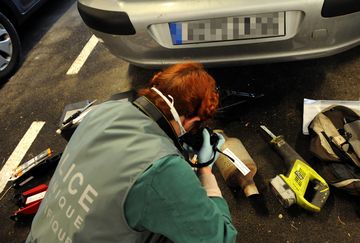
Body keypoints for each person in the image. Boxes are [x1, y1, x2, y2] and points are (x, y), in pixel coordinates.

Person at [26, 62, 238, 243]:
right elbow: (220, 238)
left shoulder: (104, 110)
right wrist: (206, 173)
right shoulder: (163, 168)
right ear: (190, 121)